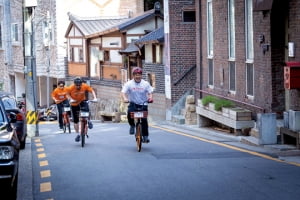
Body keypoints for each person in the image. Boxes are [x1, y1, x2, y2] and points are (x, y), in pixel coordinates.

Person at [121, 67, 153, 143]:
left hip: (143, 103)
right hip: (133, 103)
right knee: (129, 113)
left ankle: (145, 136)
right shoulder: (129, 84)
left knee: (144, 120)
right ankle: (132, 125)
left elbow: (150, 92)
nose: (138, 76)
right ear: (133, 75)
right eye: (136, 75)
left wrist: (150, 98)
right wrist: (125, 98)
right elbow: (123, 92)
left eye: (139, 75)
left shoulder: (145, 84)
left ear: (141, 75)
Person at [66, 77, 97, 142]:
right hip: (74, 103)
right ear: (74, 84)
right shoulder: (71, 87)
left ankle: (89, 121)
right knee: (76, 121)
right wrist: (70, 99)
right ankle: (78, 134)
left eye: (79, 85)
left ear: (81, 84)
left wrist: (95, 97)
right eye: (76, 85)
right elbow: (67, 94)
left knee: (87, 109)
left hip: (82, 101)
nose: (78, 86)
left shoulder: (84, 86)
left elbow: (92, 91)